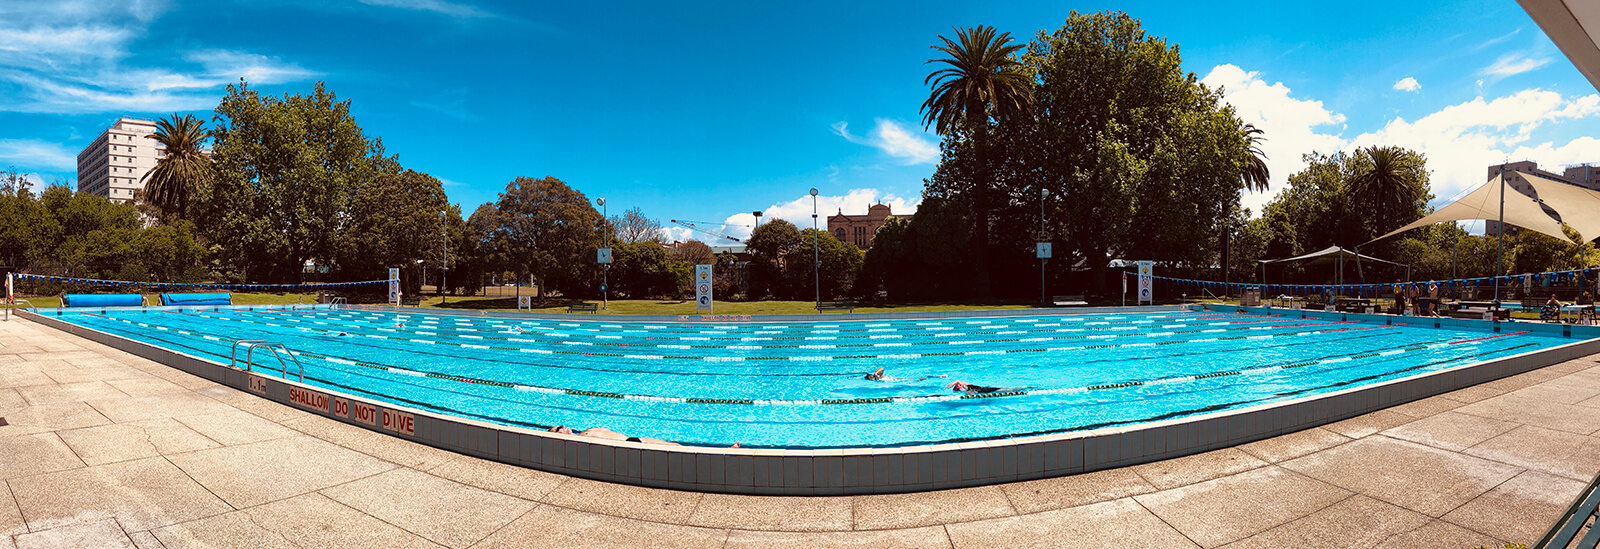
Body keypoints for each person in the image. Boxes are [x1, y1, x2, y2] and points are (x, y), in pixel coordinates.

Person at [864, 367, 947, 382]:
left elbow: (882, 368)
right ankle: (939, 376)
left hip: (903, 380)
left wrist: (875, 373)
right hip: (902, 380)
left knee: (918, 379)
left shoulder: (879, 376)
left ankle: (939, 376)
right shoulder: (878, 379)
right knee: (918, 379)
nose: (871, 377)